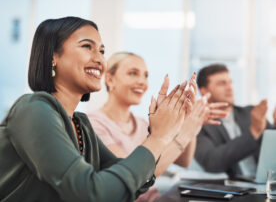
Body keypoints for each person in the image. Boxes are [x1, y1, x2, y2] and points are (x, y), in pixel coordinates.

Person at [0, 16, 210, 202]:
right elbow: (93, 194)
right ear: (52, 57)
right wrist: (159, 138)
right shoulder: (33, 109)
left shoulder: (81, 124)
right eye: (87, 46)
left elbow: (128, 183)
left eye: (102, 51)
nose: (100, 59)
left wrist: (164, 130)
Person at [88, 53, 228, 201]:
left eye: (146, 76)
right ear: (110, 79)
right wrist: (187, 131)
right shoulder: (94, 123)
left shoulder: (142, 123)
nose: (142, 81)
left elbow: (183, 160)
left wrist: (191, 121)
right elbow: (133, 174)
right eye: (133, 73)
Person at [195, 63, 276, 178]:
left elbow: (271, 148)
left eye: (230, 82)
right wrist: (252, 132)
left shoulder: (251, 113)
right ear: (204, 91)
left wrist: (275, 127)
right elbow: (211, 162)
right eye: (221, 83)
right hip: (231, 189)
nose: (229, 88)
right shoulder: (200, 124)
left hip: (266, 184)